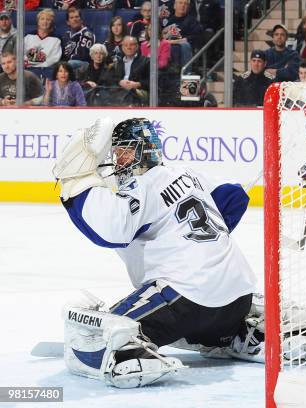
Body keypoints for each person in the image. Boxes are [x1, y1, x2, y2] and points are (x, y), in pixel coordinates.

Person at [51, 117, 262, 388]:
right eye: (117, 153)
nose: (119, 160)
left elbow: (109, 228)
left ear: (143, 150)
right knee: (204, 313)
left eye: (124, 151)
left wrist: (75, 184)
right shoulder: (189, 174)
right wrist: (202, 245)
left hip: (187, 299)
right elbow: (234, 196)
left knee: (99, 337)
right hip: (237, 300)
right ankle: (240, 333)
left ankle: (130, 355)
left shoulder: (143, 186)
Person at [161, 0, 203, 68]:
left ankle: (185, 72)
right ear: (174, 6)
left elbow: (196, 37)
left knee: (184, 45)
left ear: (188, 7)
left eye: (185, 4)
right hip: (165, 48)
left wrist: (174, 42)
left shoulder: (192, 21)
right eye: (180, 3)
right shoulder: (167, 20)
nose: (183, 6)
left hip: (182, 49)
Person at [24, 8, 62, 80]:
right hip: (27, 69)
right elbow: (21, 54)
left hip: (45, 71)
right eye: (42, 19)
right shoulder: (28, 36)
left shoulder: (56, 39)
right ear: (38, 21)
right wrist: (28, 63)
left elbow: (54, 59)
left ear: (52, 22)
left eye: (48, 19)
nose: (45, 22)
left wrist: (38, 65)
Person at [61, 6, 96, 71]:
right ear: (68, 22)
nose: (75, 19)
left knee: (69, 64)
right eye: (71, 18)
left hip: (84, 64)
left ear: (81, 20)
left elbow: (82, 56)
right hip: (69, 64)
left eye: (77, 17)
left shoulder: (87, 34)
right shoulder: (66, 35)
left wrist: (65, 63)